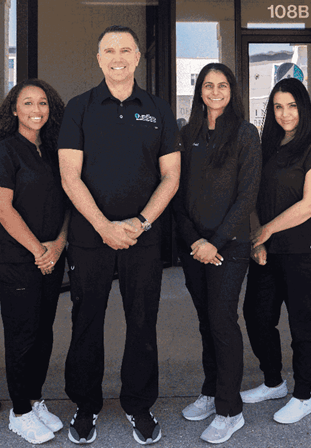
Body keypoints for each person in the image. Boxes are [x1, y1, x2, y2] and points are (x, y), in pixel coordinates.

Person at [59, 25, 181, 445]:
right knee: (86, 322)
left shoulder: (158, 109)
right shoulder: (80, 107)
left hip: (141, 238)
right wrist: (104, 226)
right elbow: (69, 176)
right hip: (90, 236)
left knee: (142, 322)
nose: (117, 57)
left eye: (125, 50)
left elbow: (171, 175)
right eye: (109, 50)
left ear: (137, 58)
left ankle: (139, 404)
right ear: (98, 59)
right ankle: (85, 405)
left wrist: (141, 223)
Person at [172, 63, 260, 444]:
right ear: (200, 92)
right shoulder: (187, 133)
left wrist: (215, 242)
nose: (215, 91)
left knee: (222, 321)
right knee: (206, 320)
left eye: (222, 85)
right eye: (208, 85)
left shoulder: (245, 133)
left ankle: (229, 410)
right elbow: (176, 192)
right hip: (194, 247)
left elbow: (247, 195)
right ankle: (211, 391)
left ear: (232, 90)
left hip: (230, 246)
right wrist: (195, 240)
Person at [240, 78, 311, 425]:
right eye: (278, 107)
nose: (285, 114)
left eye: (292, 106)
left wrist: (266, 230)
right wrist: (258, 239)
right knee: (256, 315)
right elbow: (251, 195)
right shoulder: (266, 145)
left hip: (306, 250)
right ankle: (274, 382)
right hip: (269, 250)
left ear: (304, 108)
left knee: (303, 323)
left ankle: (303, 395)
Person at [0, 79, 68, 445]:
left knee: (43, 332)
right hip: (19, 259)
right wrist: (38, 250)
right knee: (22, 335)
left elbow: (67, 203)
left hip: (51, 257)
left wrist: (59, 245)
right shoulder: (5, 151)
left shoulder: (51, 151)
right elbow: (3, 208)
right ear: (14, 110)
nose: (37, 109)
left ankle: (34, 400)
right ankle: (19, 412)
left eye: (43, 103)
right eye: (28, 103)